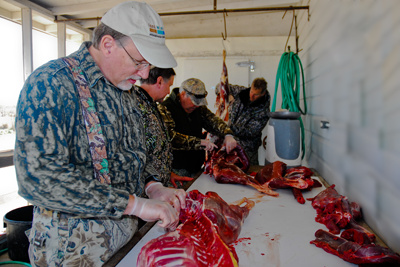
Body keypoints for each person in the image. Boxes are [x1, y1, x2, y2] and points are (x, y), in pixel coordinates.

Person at [14, 2, 186, 266]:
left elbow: (134, 156)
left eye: (147, 65)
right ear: (108, 44)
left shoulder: (127, 93)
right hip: (71, 255)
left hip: (124, 245)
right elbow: (39, 179)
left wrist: (152, 186)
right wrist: (135, 205)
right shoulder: (52, 83)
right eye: (139, 62)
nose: (143, 74)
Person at [158, 78, 237, 178]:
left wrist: (227, 134)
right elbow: (170, 138)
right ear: (182, 94)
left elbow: (213, 121)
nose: (197, 105)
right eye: (194, 102)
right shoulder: (165, 108)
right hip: (175, 170)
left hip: (196, 167)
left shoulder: (198, 108)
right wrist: (200, 142)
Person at [133, 67, 193, 188]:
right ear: (159, 81)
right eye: (169, 85)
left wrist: (166, 173)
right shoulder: (135, 106)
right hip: (145, 192)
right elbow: (136, 155)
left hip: (157, 185)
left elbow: (154, 148)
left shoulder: (152, 105)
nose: (168, 92)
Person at [217, 77, 271, 165]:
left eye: (256, 94)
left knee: (247, 173)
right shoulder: (240, 91)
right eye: (251, 92)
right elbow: (220, 87)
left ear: (263, 94)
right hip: (228, 144)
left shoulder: (264, 112)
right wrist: (226, 94)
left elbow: (250, 132)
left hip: (247, 150)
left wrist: (229, 126)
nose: (252, 96)